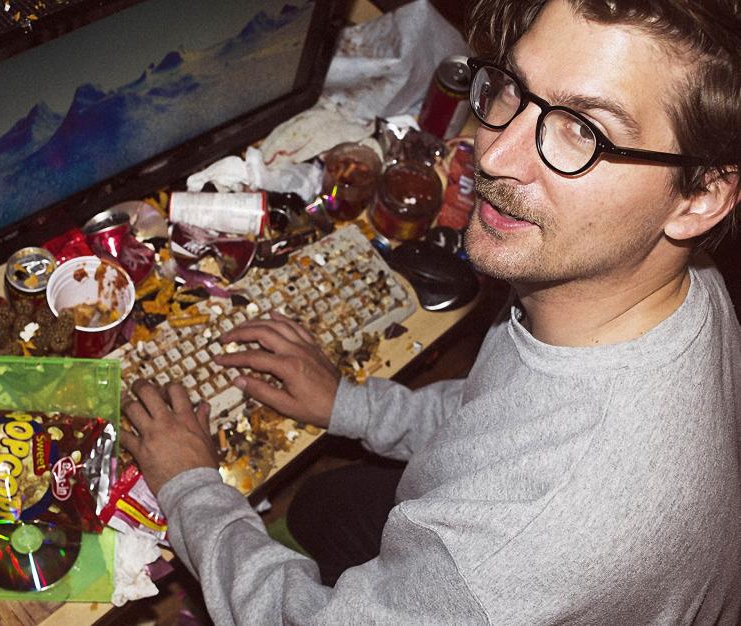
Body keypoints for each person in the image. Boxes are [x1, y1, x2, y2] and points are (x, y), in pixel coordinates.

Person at [119, 0, 741, 622]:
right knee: (322, 505)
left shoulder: (506, 555)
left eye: (586, 130)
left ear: (701, 197)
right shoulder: (672, 289)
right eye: (513, 90)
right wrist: (350, 404)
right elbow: (501, 410)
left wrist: (189, 486)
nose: (492, 154)